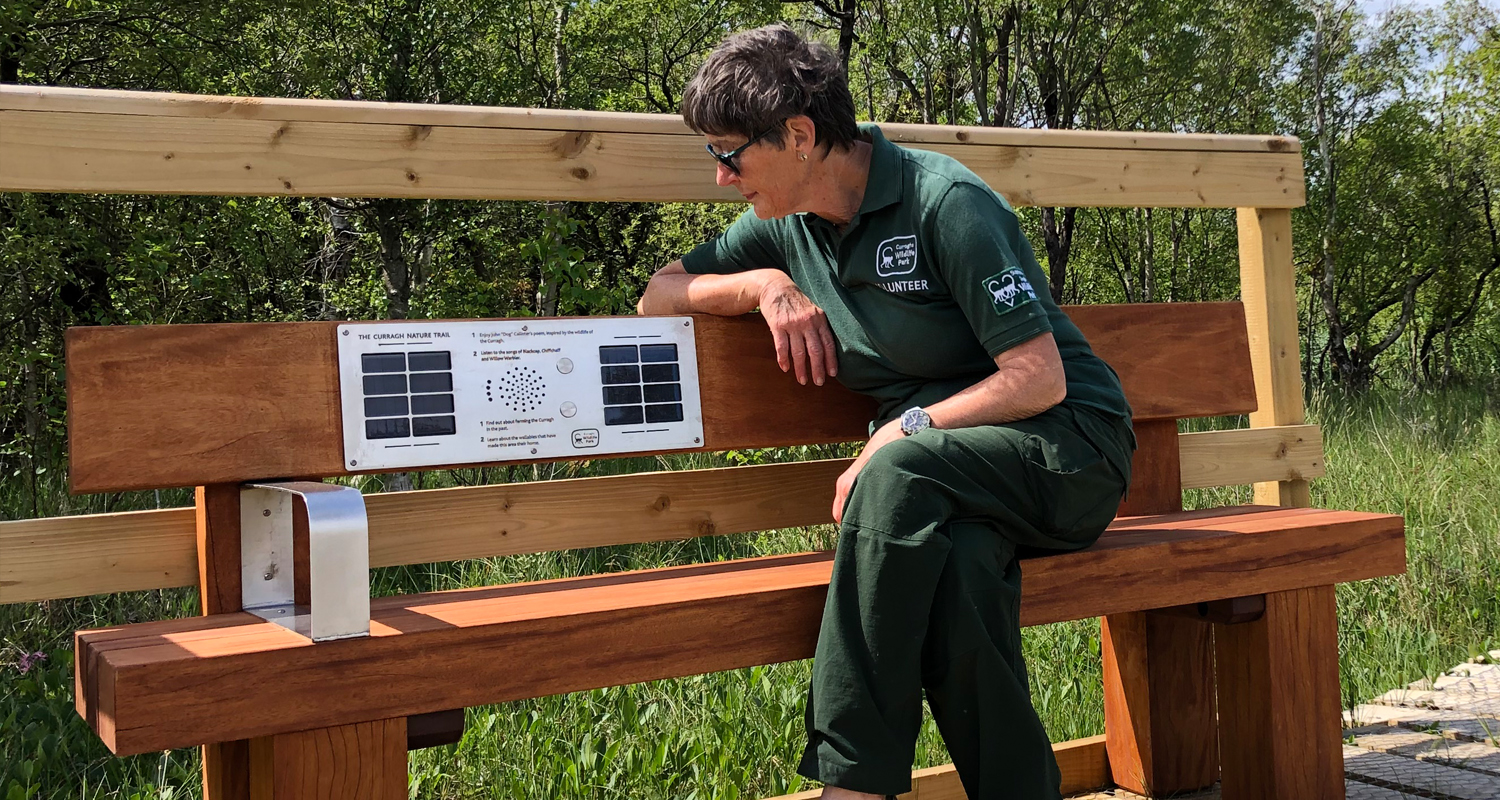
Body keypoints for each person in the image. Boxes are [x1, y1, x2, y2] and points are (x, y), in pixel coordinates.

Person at [636, 23, 1135, 800]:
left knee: (896, 468)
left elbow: (1038, 380)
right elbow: (656, 293)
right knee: (960, 574)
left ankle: (853, 785)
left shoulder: (946, 203)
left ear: (798, 135)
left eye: (729, 155)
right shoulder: (785, 226)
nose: (721, 179)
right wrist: (765, 286)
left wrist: (906, 430)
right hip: (949, 486)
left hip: (1067, 453)